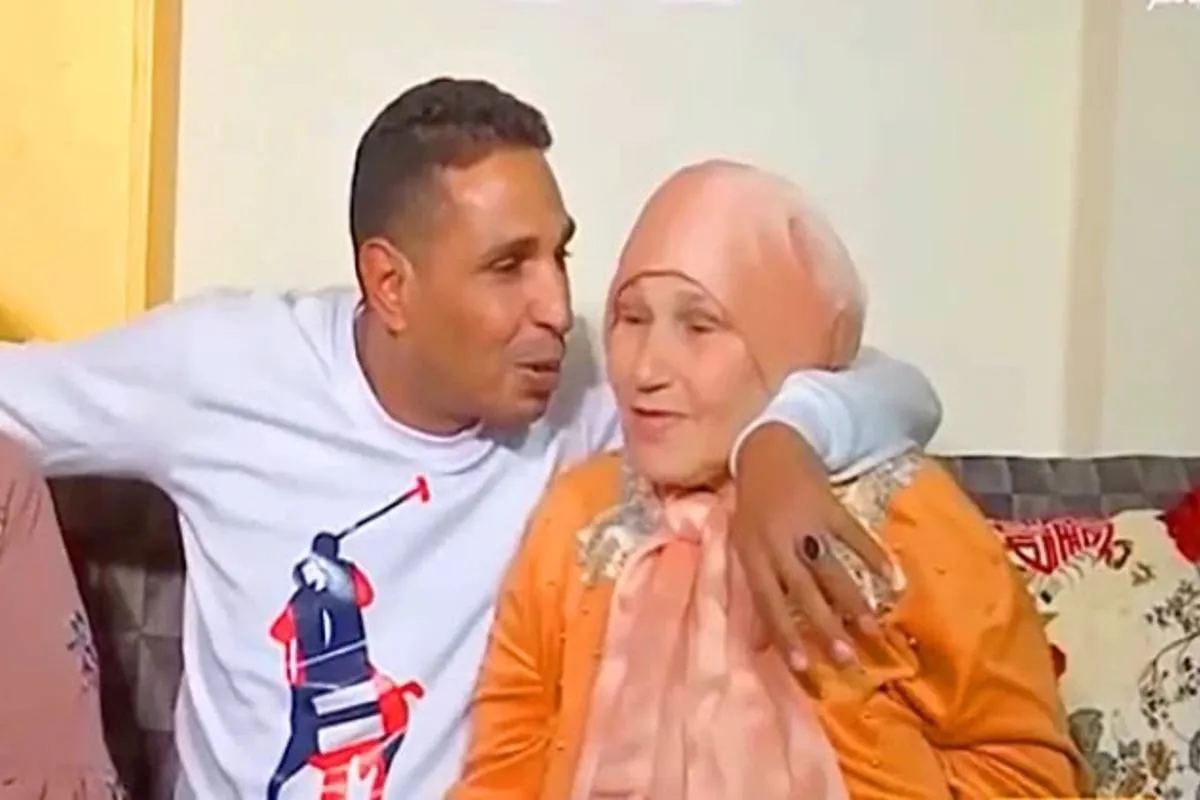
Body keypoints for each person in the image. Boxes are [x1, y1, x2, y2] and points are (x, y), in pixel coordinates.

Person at [0, 79, 940, 797]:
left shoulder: (588, 389)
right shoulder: (228, 369)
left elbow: (902, 392)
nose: (556, 307)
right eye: (507, 267)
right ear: (391, 285)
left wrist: (783, 443)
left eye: (559, 254)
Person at [449, 161, 1085, 799]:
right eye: (631, 319)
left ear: (788, 345)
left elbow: (1029, 774)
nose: (646, 369)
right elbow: (504, 769)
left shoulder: (900, 515)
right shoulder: (579, 517)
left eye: (700, 326)